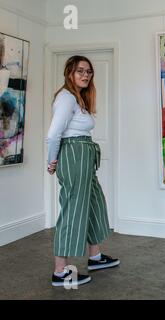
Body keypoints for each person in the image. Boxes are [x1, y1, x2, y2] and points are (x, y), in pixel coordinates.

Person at [46, 55, 120, 287]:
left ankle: (95, 257)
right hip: (74, 154)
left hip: (84, 155)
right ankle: (60, 270)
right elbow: (53, 133)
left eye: (89, 71)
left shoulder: (78, 99)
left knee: (93, 204)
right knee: (73, 210)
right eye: (80, 71)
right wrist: (51, 160)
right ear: (70, 73)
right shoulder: (66, 98)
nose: (86, 75)